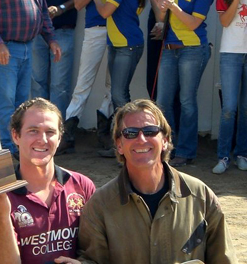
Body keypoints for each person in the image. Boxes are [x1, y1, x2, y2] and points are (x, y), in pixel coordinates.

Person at [52, 99, 246, 264]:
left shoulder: (200, 197)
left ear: (165, 139)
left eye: (150, 131)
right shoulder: (100, 206)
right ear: (119, 145)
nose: (141, 139)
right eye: (130, 133)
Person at [0, 98, 96, 264]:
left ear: (60, 137)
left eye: (50, 132)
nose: (42, 139)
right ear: (15, 136)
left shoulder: (81, 186)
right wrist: (3, 213)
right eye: (33, 130)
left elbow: (96, 257)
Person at [0, 0, 62, 156]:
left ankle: (17, 145)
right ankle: (5, 146)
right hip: (4, 46)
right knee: (5, 101)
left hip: (26, 46)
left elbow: (43, 13)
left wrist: (52, 39)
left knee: (21, 102)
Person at [153, 0, 212, 167]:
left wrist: (173, 7)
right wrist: (163, 10)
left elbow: (193, 24)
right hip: (169, 49)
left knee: (187, 101)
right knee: (162, 102)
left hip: (193, 49)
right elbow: (162, 19)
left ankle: (186, 152)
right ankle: (168, 147)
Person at [93, 0, 146, 158]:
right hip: (120, 44)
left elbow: (104, 12)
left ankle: (128, 142)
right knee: (119, 95)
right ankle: (124, 144)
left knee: (118, 95)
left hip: (126, 45)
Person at [61, 0, 114, 154]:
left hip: (120, 28)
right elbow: (78, 4)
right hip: (95, 28)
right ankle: (68, 135)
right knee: (83, 83)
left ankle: (104, 133)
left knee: (112, 85)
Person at [212, 0, 247, 174]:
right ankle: (223, 156)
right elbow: (224, 21)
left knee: (246, 107)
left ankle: (242, 154)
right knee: (229, 108)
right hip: (230, 52)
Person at [31, 0, 77, 123]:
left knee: (59, 85)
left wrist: (61, 8)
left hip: (63, 28)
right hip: (37, 30)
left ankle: (56, 127)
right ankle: (38, 124)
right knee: (37, 83)